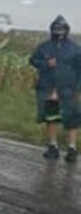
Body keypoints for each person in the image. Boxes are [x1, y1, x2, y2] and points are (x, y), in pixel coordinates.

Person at [29, 15, 81, 163]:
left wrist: (78, 89)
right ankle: (53, 146)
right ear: (52, 30)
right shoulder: (44, 47)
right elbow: (33, 60)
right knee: (51, 119)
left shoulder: (75, 49)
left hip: (68, 89)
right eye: (56, 29)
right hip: (48, 89)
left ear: (67, 30)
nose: (59, 32)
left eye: (62, 29)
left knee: (72, 120)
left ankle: (72, 148)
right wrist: (46, 63)